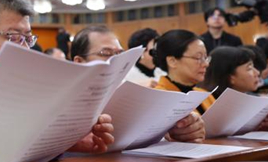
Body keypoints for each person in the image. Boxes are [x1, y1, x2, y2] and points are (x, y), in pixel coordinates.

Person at [0, 0, 114, 153]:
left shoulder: (40, 96)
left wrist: (70, 142)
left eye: (28, 38)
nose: (25, 49)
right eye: (14, 37)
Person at [71, 25, 205, 143]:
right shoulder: (65, 104)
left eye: (120, 54)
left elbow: (164, 132)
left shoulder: (138, 96)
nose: (119, 61)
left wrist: (184, 129)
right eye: (106, 53)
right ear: (79, 62)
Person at [202, 46, 268, 132]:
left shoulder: (253, 101)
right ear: (230, 77)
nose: (257, 73)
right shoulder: (205, 104)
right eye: (249, 68)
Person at [149, 30, 213, 142]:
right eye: (198, 58)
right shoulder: (158, 98)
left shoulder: (204, 94)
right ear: (172, 61)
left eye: (206, 57)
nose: (206, 64)